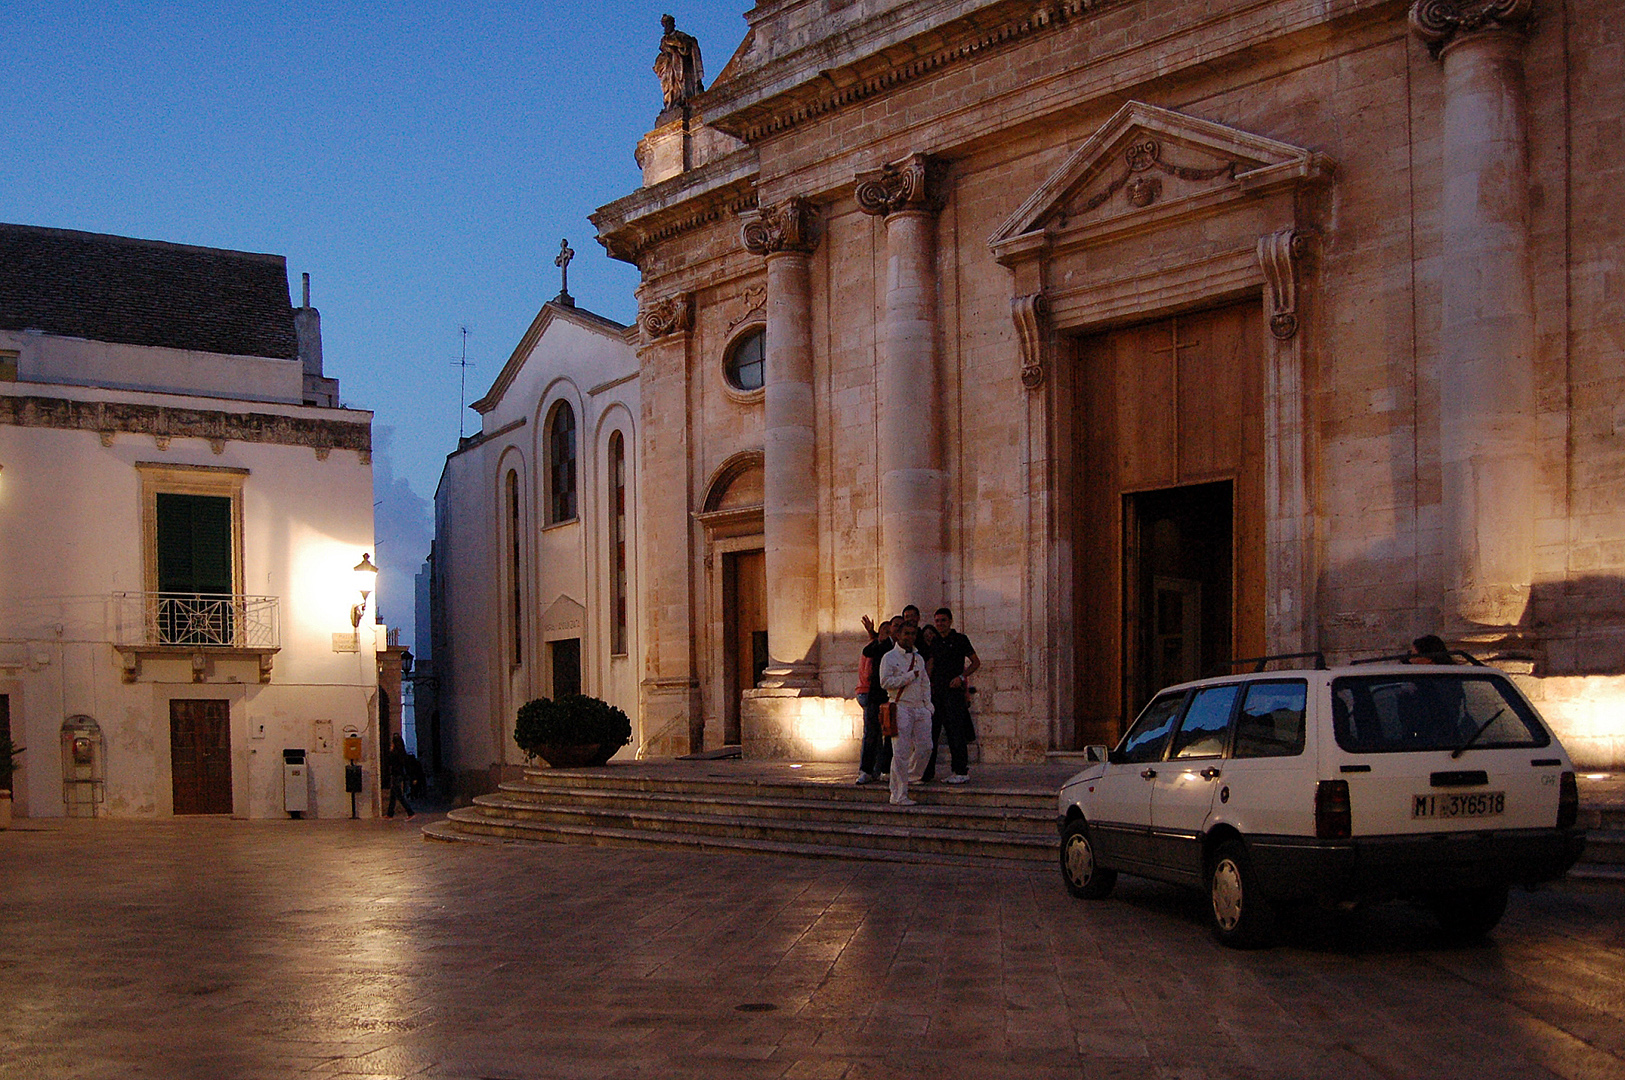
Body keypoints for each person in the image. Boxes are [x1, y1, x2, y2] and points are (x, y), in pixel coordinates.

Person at [920, 607, 979, 784]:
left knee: (955, 732)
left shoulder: (960, 639)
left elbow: (975, 662)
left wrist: (962, 677)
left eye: (943, 620)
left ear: (950, 621)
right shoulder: (934, 643)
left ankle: (960, 770)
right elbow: (930, 665)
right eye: (937, 621)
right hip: (936, 693)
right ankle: (927, 772)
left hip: (953, 693)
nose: (940, 624)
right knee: (932, 733)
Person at [878, 621, 933, 806]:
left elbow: (925, 682)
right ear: (899, 636)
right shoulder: (889, 657)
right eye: (906, 634)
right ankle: (898, 795)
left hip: (920, 708)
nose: (910, 637)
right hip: (900, 706)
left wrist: (928, 705)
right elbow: (885, 682)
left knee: (926, 747)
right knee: (900, 751)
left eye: (913, 634)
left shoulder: (918, 658)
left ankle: (909, 775)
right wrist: (908, 677)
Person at [855, 614, 896, 785]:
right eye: (886, 631)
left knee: (887, 736)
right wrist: (874, 635)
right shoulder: (878, 647)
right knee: (872, 734)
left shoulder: (898, 649)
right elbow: (869, 657)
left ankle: (882, 769)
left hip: (890, 697)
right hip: (873, 695)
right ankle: (867, 770)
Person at [653, 14, 704, 109]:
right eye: (664, 25)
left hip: (679, 64)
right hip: (668, 67)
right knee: (669, 84)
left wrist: (674, 44)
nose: (666, 27)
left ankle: (681, 99)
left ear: (672, 24)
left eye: (668, 24)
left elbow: (686, 46)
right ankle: (671, 102)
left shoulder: (680, 35)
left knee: (679, 84)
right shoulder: (664, 40)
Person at [385, 734, 416, 819]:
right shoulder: (402, 752)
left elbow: (389, 762)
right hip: (400, 775)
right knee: (393, 795)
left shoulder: (394, 753)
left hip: (395, 775)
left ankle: (410, 812)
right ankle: (390, 813)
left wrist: (391, 751)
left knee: (399, 795)